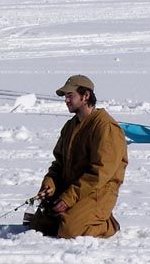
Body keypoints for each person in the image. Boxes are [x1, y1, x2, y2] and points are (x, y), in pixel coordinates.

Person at [30, 75, 128, 238]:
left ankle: (108, 224)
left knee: (70, 231)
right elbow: (59, 163)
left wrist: (68, 199)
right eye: (66, 97)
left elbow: (100, 174)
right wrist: (50, 184)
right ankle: (78, 214)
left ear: (86, 96)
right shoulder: (70, 126)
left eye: (70, 96)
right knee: (39, 225)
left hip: (99, 191)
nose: (66, 100)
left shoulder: (105, 127)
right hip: (74, 188)